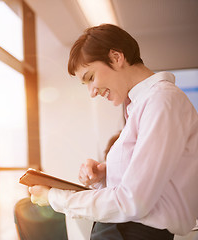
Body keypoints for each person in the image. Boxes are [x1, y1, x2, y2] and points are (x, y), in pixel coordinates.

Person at [29, 24, 198, 240]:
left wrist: (56, 198)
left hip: (132, 233)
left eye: (91, 77)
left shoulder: (161, 101)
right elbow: (156, 182)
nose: (92, 92)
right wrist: (105, 174)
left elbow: (133, 201)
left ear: (117, 57)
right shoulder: (142, 104)